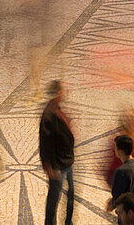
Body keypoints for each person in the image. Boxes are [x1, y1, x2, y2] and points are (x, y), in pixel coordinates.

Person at [39, 80, 75, 225]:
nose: (65, 92)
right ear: (58, 92)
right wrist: (50, 167)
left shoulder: (57, 109)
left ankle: (68, 221)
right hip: (58, 165)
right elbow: (45, 144)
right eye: (63, 90)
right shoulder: (49, 114)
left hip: (67, 161)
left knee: (70, 193)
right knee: (54, 198)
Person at [103, 110, 134, 186]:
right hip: (121, 177)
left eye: (130, 117)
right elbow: (113, 157)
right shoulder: (118, 138)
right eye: (125, 117)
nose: (128, 120)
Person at [107, 135, 134, 215]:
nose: (114, 150)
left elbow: (117, 196)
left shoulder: (121, 171)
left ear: (121, 152)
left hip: (128, 215)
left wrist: (110, 205)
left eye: (116, 148)